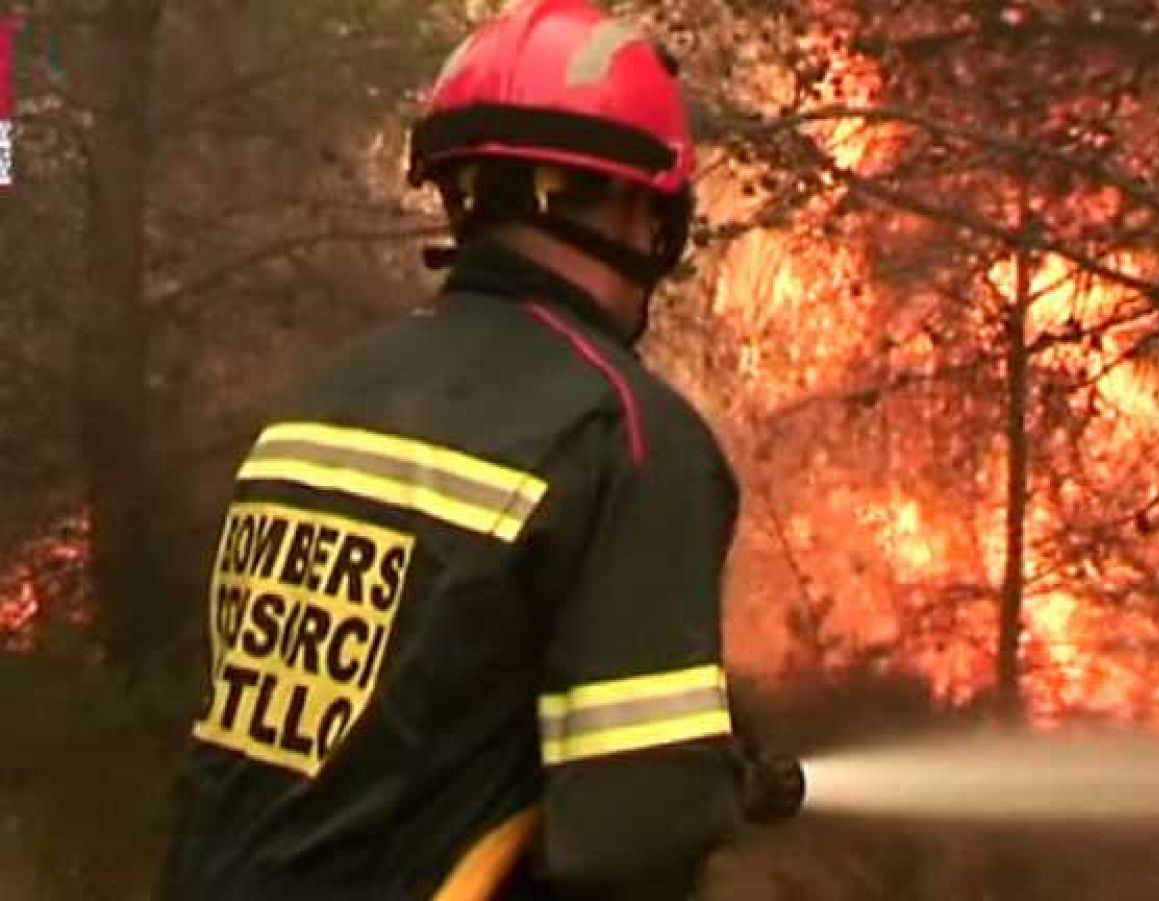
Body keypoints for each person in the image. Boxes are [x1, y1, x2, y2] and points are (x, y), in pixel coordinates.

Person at [158, 1, 798, 898]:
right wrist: (695, 786)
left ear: (462, 193)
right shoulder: (628, 435)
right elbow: (638, 840)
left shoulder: (329, 399)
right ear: (638, 206)